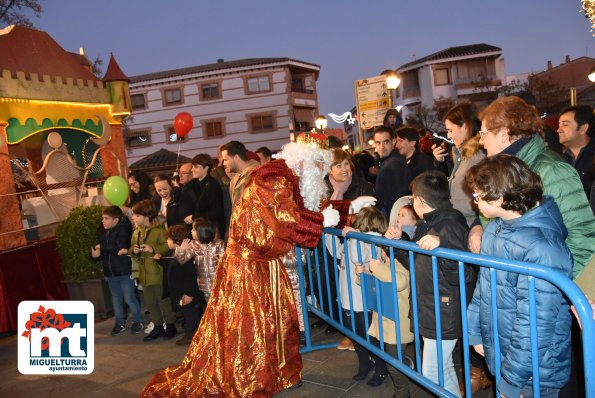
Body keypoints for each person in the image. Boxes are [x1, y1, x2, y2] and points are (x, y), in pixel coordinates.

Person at [141, 132, 374, 397]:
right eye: (319, 165)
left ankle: (278, 373)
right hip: (250, 269)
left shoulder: (285, 179)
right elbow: (285, 222)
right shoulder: (273, 179)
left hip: (264, 265)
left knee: (278, 323)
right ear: (305, 163)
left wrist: (345, 208)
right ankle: (254, 377)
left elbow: (302, 209)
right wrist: (322, 220)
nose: (321, 172)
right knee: (254, 329)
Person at [464, 154, 573, 398]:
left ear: (500, 198)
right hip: (504, 353)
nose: (474, 203)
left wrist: (512, 381)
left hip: (535, 370)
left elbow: (535, 325)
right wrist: (475, 331)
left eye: (478, 196)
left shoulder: (542, 248)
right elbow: (484, 286)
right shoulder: (495, 228)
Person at [476, 96, 595, 278]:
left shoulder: (552, 170)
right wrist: (476, 227)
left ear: (503, 133)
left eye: (483, 134)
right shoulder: (503, 171)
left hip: (541, 290)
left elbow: (582, 237)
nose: (480, 142)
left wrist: (562, 289)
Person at [408, 170, 474, 398]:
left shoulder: (449, 224)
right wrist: (395, 243)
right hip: (433, 306)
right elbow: (417, 261)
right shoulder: (431, 222)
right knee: (443, 369)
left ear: (419, 200)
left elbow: (464, 273)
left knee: (432, 373)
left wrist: (443, 246)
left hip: (443, 309)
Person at [328, 206, 389, 387]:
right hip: (349, 296)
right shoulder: (355, 239)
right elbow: (337, 252)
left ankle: (381, 367)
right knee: (354, 333)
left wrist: (353, 236)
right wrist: (329, 231)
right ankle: (365, 363)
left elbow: (357, 257)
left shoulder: (373, 241)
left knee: (369, 335)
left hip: (364, 299)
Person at [357, 251, 414, 398]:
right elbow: (374, 283)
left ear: (384, 251)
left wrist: (378, 269)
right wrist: (361, 274)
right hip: (388, 324)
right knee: (392, 359)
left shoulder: (400, 264)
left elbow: (400, 283)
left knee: (393, 365)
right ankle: (407, 366)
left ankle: (403, 394)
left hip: (397, 326)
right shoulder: (384, 264)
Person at [91, 206, 143, 335]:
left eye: (106, 218)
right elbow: (103, 252)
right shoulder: (102, 231)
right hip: (110, 271)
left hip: (124, 270)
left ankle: (137, 321)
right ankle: (120, 323)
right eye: (103, 218)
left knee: (129, 298)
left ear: (116, 220)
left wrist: (102, 247)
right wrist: (95, 256)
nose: (103, 221)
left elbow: (119, 247)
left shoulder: (124, 229)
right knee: (116, 298)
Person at [129, 200, 177, 342]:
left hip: (157, 272)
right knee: (151, 303)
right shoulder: (136, 232)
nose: (133, 218)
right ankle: (157, 326)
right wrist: (134, 250)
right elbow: (131, 248)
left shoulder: (159, 230)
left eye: (136, 215)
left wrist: (153, 249)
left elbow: (168, 247)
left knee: (163, 301)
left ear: (146, 216)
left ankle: (170, 325)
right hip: (143, 273)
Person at [433, 102, 485, 231]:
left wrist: (476, 227)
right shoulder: (462, 155)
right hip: (458, 224)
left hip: (468, 228)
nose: (449, 136)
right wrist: (439, 163)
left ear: (466, 126)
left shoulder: (477, 158)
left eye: (451, 130)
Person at [165, 224, 205, 346]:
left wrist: (189, 293)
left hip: (186, 292)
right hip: (180, 291)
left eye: (169, 239)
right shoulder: (174, 252)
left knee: (189, 313)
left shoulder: (185, 255)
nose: (167, 241)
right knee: (186, 312)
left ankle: (191, 335)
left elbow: (190, 275)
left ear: (177, 241)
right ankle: (191, 333)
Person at [175, 217, 225, 303]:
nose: (191, 231)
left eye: (194, 229)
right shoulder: (194, 245)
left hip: (220, 285)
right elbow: (182, 260)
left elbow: (225, 263)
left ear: (202, 231)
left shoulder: (219, 244)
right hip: (205, 286)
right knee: (210, 312)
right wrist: (181, 250)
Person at [558, 105, 595, 214]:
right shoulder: (559, 160)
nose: (559, 130)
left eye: (565, 124)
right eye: (559, 125)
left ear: (583, 128)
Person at [373, 126, 412, 217]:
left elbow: (397, 198)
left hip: (393, 218)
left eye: (385, 142)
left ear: (393, 142)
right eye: (378, 143)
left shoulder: (391, 165)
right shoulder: (393, 161)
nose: (381, 147)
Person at [189, 154, 225, 236]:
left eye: (196, 167)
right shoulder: (200, 184)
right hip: (205, 230)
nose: (192, 170)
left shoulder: (212, 185)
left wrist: (194, 217)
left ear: (206, 168)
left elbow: (217, 212)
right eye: (192, 167)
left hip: (212, 232)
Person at [220, 140, 260, 207]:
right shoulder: (234, 180)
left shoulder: (255, 175)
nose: (224, 163)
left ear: (236, 158)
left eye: (226, 160)